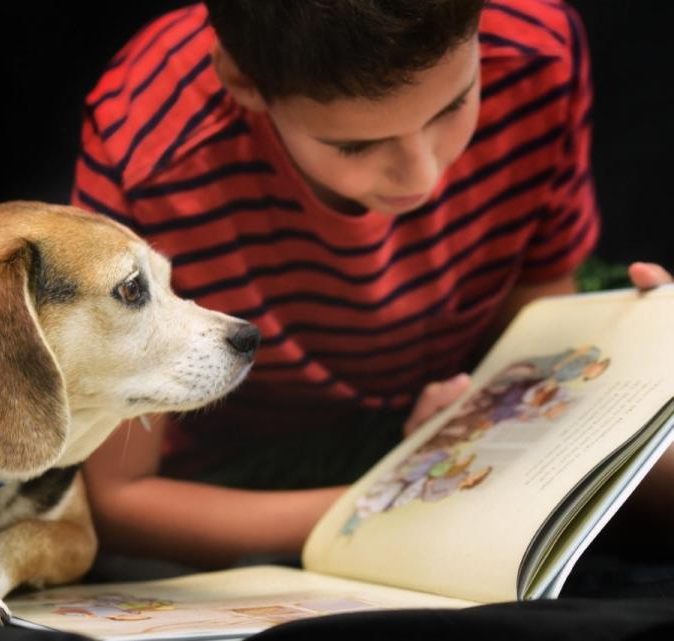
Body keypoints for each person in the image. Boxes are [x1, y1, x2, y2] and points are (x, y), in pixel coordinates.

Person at [71, 0, 672, 572]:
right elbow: (121, 499)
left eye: (453, 107)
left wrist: (622, 352)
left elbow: (537, 330)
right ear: (243, 80)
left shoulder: (534, 47)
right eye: (355, 144)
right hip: (258, 468)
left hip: (462, 404)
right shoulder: (148, 146)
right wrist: (403, 496)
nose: (423, 175)